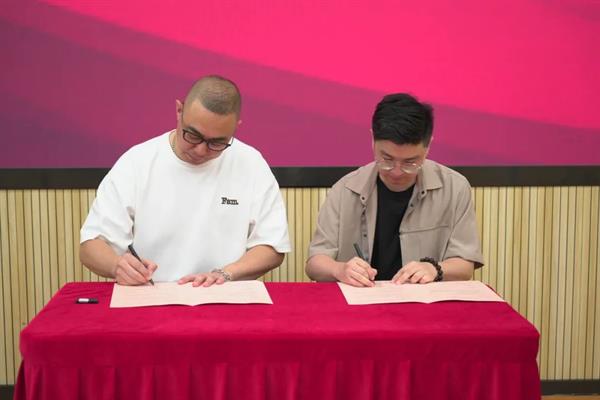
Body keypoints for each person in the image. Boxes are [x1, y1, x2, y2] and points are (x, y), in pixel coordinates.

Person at [80, 75, 290, 286]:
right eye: (193, 135)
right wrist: (116, 265)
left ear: (236, 127)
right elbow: (91, 247)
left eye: (217, 143)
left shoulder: (251, 163)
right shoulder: (136, 162)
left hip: (224, 293)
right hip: (151, 294)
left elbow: (272, 246)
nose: (201, 150)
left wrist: (225, 274)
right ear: (179, 111)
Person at [306, 93, 483, 287]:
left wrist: (434, 268)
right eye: (387, 159)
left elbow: (465, 265)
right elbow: (315, 263)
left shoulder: (455, 188)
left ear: (428, 146)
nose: (397, 172)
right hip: (362, 300)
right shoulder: (345, 190)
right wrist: (339, 269)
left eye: (410, 162)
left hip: (423, 302)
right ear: (373, 140)